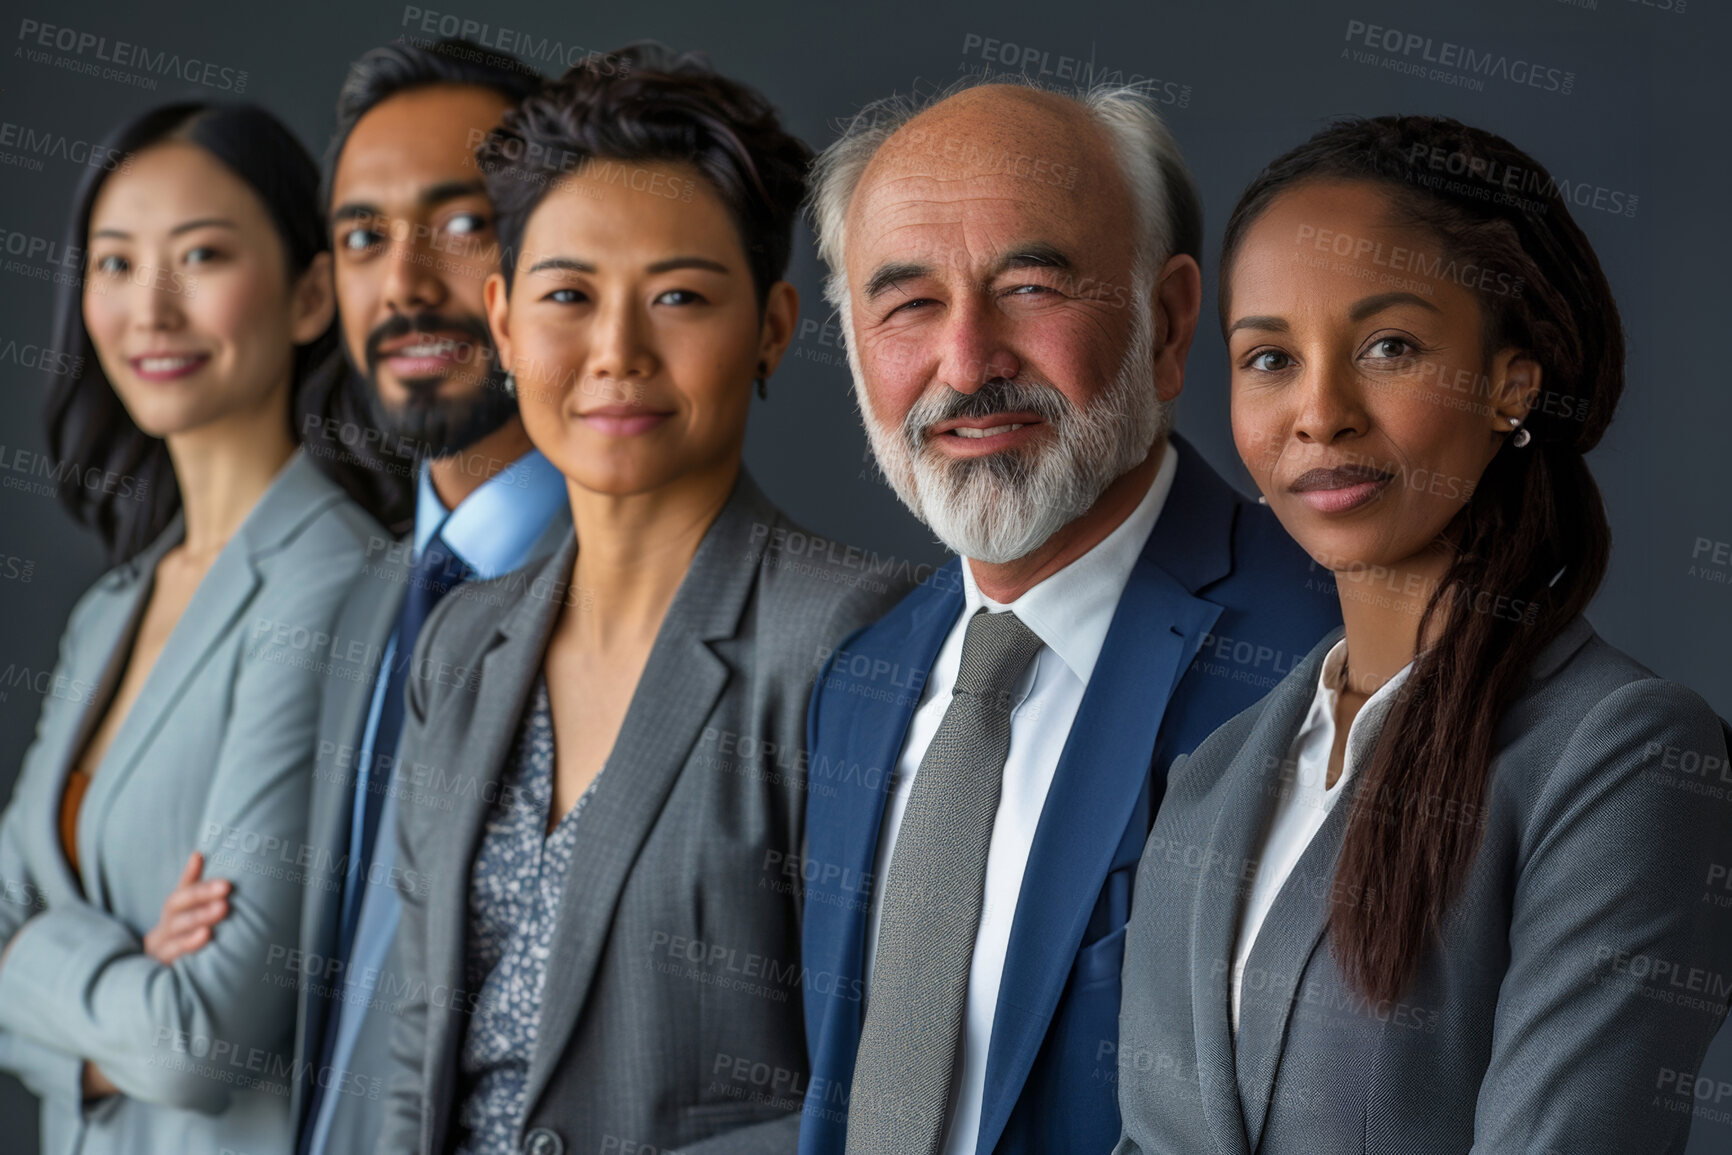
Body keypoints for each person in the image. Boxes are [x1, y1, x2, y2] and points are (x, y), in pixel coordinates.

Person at [1112, 115, 1732, 1155]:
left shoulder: (1623, 756)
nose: (1318, 412)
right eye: (1267, 357)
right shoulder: (1212, 774)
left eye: (1387, 346)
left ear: (1510, 383)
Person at [377, 43, 909, 1155]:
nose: (617, 352)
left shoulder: (858, 639)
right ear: (505, 324)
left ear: (770, 327)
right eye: (568, 295)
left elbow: (874, 1091)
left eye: (676, 296)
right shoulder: (462, 644)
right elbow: (413, 1053)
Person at [795, 78, 1340, 1154]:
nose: (965, 363)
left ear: (1168, 322)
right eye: (905, 304)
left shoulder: (1329, 653)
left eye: (1032, 287)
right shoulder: (857, 685)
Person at [136, 39, 571, 1155]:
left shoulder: (632, 589)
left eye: (462, 221)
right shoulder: (364, 599)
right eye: (366, 237)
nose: (409, 285)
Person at [0, 102, 374, 1155]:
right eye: (114, 265)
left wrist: (27, 962)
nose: (150, 310)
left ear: (310, 295)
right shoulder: (110, 609)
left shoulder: (332, 580)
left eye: (201, 255)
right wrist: (118, 981)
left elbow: (195, 1044)